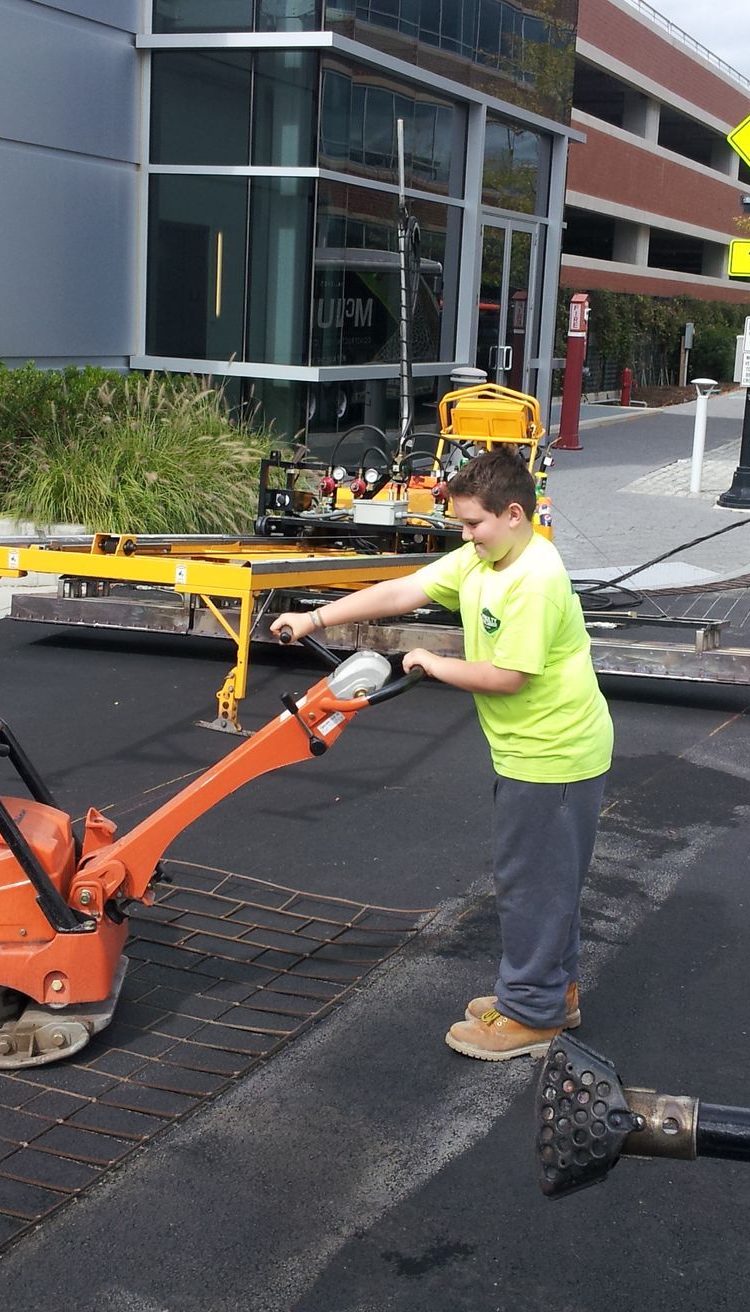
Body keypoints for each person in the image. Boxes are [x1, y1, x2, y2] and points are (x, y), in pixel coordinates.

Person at [270, 448, 613, 1061]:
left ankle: (532, 1014)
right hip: (531, 751)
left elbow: (509, 676)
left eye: (473, 524)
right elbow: (405, 588)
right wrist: (317, 617)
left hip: (554, 755)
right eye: (461, 526)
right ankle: (550, 994)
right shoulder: (488, 555)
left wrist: (434, 663)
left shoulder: (533, 578)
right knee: (545, 878)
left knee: (530, 884)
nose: (466, 536)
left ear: (513, 514)